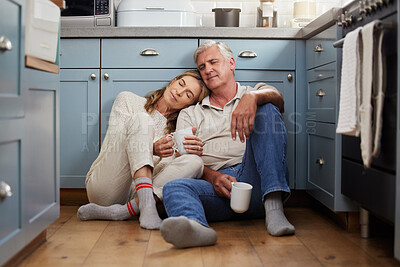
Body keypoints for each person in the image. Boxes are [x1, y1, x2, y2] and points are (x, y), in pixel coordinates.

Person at [160, 40, 295, 248]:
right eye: (202, 67)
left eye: (213, 62)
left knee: (267, 108)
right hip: (219, 188)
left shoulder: (253, 93)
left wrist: (253, 97)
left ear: (231, 63)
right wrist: (212, 176)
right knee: (172, 187)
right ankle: (197, 228)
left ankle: (274, 207)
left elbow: (278, 98)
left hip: (257, 180)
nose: (207, 70)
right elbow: (184, 159)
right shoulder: (190, 113)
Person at [77, 70, 209, 230]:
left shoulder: (177, 131)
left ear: (189, 105)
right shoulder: (128, 100)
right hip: (106, 185)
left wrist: (181, 154)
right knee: (142, 119)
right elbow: (117, 142)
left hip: (138, 195)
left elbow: (162, 174)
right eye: (181, 84)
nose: (179, 92)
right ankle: (144, 207)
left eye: (188, 95)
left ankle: (125, 211)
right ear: (173, 81)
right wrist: (152, 149)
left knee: (195, 162)